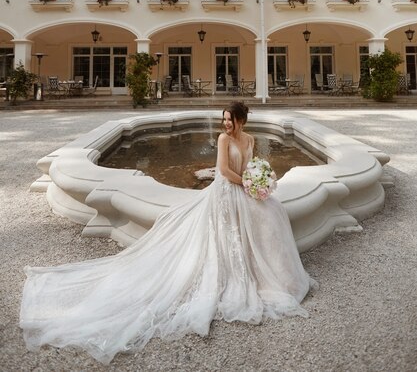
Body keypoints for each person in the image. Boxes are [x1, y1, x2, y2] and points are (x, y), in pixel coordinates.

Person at [20, 102, 315, 365]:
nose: (226, 124)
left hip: (243, 189)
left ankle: (272, 274)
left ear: (242, 121)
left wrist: (260, 179)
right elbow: (224, 171)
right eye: (224, 119)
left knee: (273, 212)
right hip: (226, 192)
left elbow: (252, 165)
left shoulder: (250, 139)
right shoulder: (223, 138)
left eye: (230, 120)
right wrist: (249, 185)